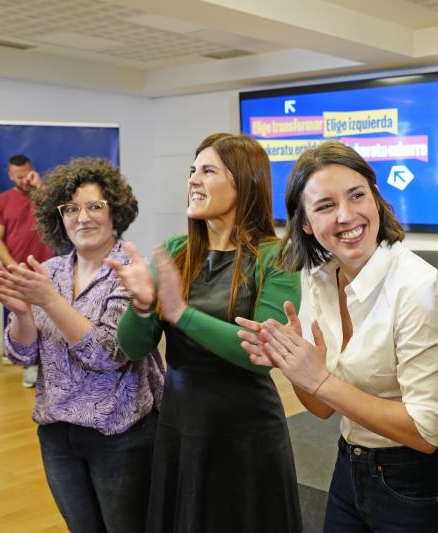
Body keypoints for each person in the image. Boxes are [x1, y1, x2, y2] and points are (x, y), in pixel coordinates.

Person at [238, 140, 438, 533]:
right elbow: (324, 409)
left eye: (357, 196)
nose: (346, 215)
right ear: (306, 224)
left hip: (416, 481)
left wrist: (319, 379)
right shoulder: (318, 279)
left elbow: (426, 433)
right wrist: (294, 366)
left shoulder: (416, 287)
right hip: (349, 465)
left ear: (376, 200)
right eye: (325, 206)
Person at [110, 133, 302, 533]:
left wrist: (179, 313)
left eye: (208, 170)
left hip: (246, 433)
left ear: (245, 182)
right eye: (192, 170)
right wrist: (144, 307)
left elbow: (260, 352)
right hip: (181, 426)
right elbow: (131, 346)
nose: (193, 180)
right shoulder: (175, 251)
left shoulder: (275, 256)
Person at [0, 157, 164, 533]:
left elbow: (109, 354)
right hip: (57, 434)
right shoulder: (49, 273)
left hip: (119, 436)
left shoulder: (131, 275)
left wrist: (48, 302)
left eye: (95, 205)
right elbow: (23, 354)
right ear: (58, 217)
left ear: (116, 211)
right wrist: (21, 314)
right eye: (71, 208)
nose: (83, 217)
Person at [0, 154, 54, 387]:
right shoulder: (0, 202)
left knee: (50, 318)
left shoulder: (45, 196)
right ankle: (29, 367)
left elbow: (62, 215)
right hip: (18, 271)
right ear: (10, 176)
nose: (24, 179)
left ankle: (49, 368)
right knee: (23, 317)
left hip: (49, 269)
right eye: (19, 176)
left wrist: (40, 188)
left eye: (27, 174)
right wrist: (13, 267)